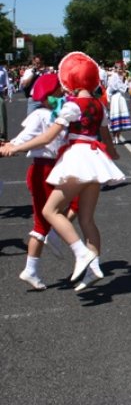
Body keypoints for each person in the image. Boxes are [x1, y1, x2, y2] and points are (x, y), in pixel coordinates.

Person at [1, 52, 125, 291]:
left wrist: (15, 147)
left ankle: (81, 253)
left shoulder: (71, 106)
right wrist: (113, 155)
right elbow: (108, 142)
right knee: (87, 219)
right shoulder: (100, 106)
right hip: (96, 158)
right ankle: (93, 267)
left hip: (78, 157)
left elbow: (47, 137)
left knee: (50, 210)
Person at [0, 74, 78, 289]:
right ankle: (32, 267)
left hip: (56, 168)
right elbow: (25, 138)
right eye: (58, 92)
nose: (62, 94)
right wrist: (9, 147)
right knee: (43, 220)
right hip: (43, 169)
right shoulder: (40, 115)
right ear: (48, 95)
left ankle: (41, 252)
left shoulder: (58, 113)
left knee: (73, 205)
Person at [106, 66, 131, 144]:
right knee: (115, 116)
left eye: (121, 69)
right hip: (115, 97)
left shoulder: (122, 77)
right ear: (116, 69)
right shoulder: (114, 77)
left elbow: (125, 89)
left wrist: (126, 81)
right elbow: (113, 87)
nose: (120, 70)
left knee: (120, 117)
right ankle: (114, 136)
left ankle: (117, 136)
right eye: (119, 69)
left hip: (121, 98)